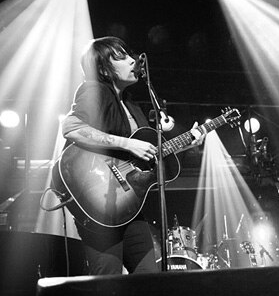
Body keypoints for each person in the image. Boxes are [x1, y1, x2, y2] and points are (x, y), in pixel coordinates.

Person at [54, 36, 204, 275]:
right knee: (108, 282)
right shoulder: (94, 90)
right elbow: (71, 128)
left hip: (130, 206)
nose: (133, 60)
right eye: (122, 57)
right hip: (98, 201)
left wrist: (187, 143)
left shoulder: (131, 105)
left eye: (130, 54)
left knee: (148, 278)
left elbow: (149, 155)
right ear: (103, 68)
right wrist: (127, 144)